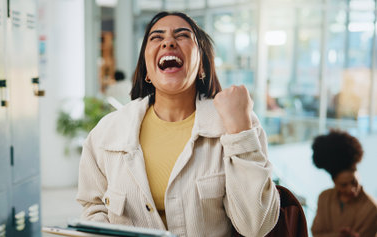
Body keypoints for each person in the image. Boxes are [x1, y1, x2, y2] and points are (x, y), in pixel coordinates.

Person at [77, 11, 280, 236]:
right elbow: (93, 208)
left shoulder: (237, 124)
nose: (168, 42)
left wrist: (240, 131)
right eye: (156, 37)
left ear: (202, 65)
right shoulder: (107, 133)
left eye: (182, 35)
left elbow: (257, 226)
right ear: (147, 70)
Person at [311, 130, 377, 237]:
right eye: (344, 185)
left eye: (354, 182)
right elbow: (316, 233)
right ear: (334, 182)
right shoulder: (324, 198)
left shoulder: (371, 208)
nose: (351, 189)